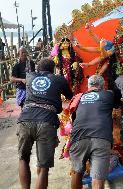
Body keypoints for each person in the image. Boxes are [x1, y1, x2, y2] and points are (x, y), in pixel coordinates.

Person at [16, 58, 73, 189]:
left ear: (38, 69)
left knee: (23, 158)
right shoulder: (58, 79)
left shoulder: (30, 76)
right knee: (43, 167)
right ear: (53, 69)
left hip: (25, 120)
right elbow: (70, 96)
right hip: (47, 122)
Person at [69, 75, 115, 189]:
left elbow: (72, 118)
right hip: (101, 137)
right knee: (97, 177)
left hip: (78, 136)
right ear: (102, 86)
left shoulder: (78, 97)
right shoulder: (108, 94)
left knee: (76, 172)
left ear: (88, 86)